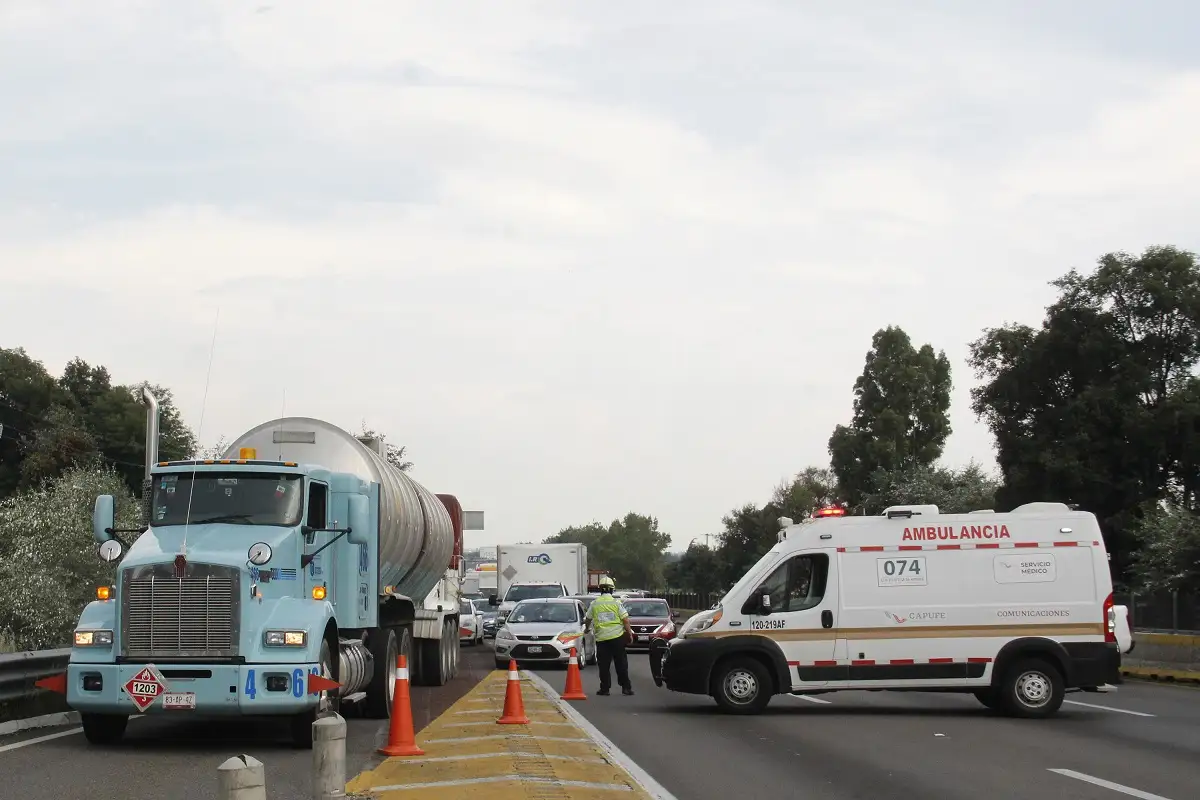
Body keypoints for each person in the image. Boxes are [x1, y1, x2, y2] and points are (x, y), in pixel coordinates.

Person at [583, 576, 634, 696]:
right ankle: (626, 687)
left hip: (602, 639)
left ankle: (605, 689)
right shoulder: (616, 603)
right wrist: (629, 634)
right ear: (612, 590)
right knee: (621, 664)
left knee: (604, 666)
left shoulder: (595, 604)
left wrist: (586, 629)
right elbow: (625, 620)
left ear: (600, 590)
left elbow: (588, 619)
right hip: (617, 638)